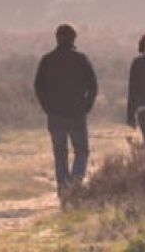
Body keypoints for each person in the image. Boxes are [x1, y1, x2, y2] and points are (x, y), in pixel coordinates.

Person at [33, 23, 98, 194]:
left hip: (55, 114)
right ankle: (75, 183)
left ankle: (63, 187)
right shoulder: (81, 59)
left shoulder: (47, 60)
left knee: (60, 153)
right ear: (74, 38)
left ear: (57, 37)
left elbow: (38, 87)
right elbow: (93, 86)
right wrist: (86, 107)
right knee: (82, 151)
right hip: (77, 112)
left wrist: (47, 108)